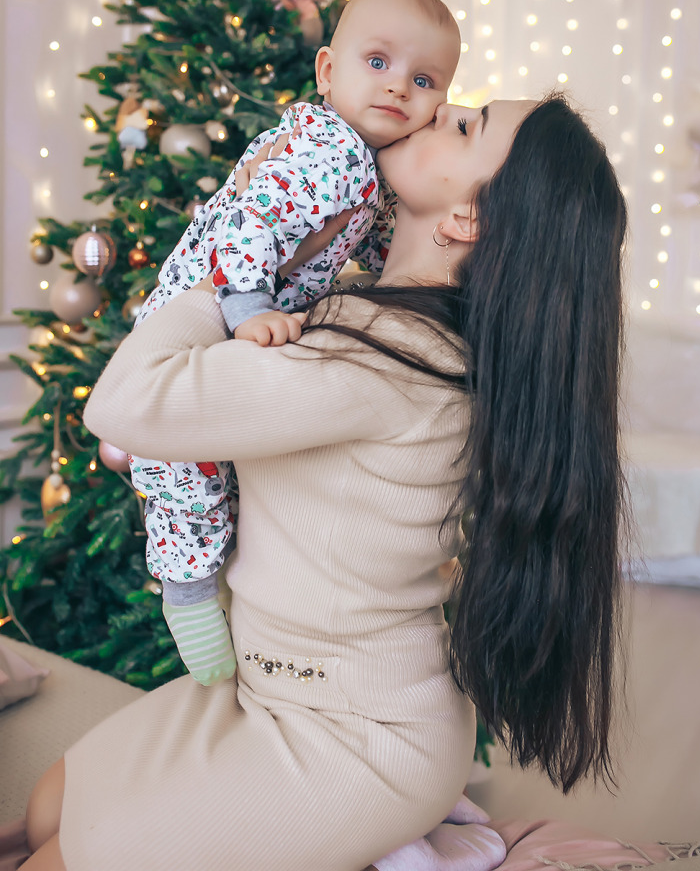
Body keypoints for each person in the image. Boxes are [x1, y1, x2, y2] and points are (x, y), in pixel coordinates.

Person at [23, 93, 628, 871]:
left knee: (60, 858)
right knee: (48, 812)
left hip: (357, 737)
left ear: (468, 221)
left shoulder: (386, 361)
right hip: (261, 686)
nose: (437, 110)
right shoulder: (366, 306)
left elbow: (123, 404)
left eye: (467, 126)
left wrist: (227, 259)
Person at [128, 0, 462, 686]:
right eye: (378, 61)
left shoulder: (359, 163)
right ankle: (187, 597)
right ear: (326, 71)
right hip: (213, 307)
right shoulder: (327, 150)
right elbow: (247, 224)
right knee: (188, 477)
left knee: (213, 463)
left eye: (424, 79)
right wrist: (249, 308)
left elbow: (365, 242)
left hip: (228, 315)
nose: (399, 86)